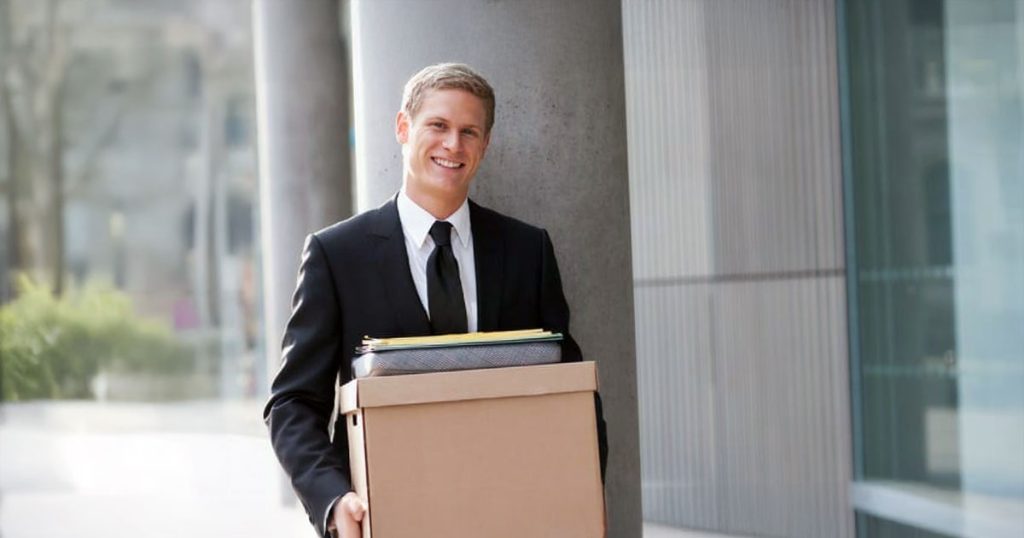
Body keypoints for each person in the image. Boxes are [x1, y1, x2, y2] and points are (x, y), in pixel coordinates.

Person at [264, 63, 605, 538]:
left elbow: (570, 392)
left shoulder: (527, 251)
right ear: (403, 128)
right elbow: (293, 402)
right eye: (438, 126)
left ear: (484, 146)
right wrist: (333, 499)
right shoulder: (337, 255)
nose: (453, 145)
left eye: (470, 132)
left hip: (514, 514)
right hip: (389, 516)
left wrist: (580, 495)